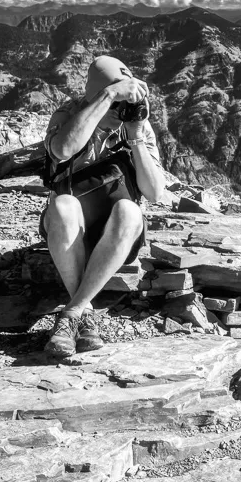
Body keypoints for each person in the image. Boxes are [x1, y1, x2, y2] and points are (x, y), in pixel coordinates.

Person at [40, 55, 165, 357]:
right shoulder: (69, 114)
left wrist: (135, 137)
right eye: (115, 102)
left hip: (117, 231)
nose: (120, 110)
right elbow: (63, 149)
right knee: (61, 205)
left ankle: (73, 314)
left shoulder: (137, 126)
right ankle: (84, 312)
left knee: (130, 210)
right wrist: (107, 97)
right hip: (70, 227)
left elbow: (155, 192)